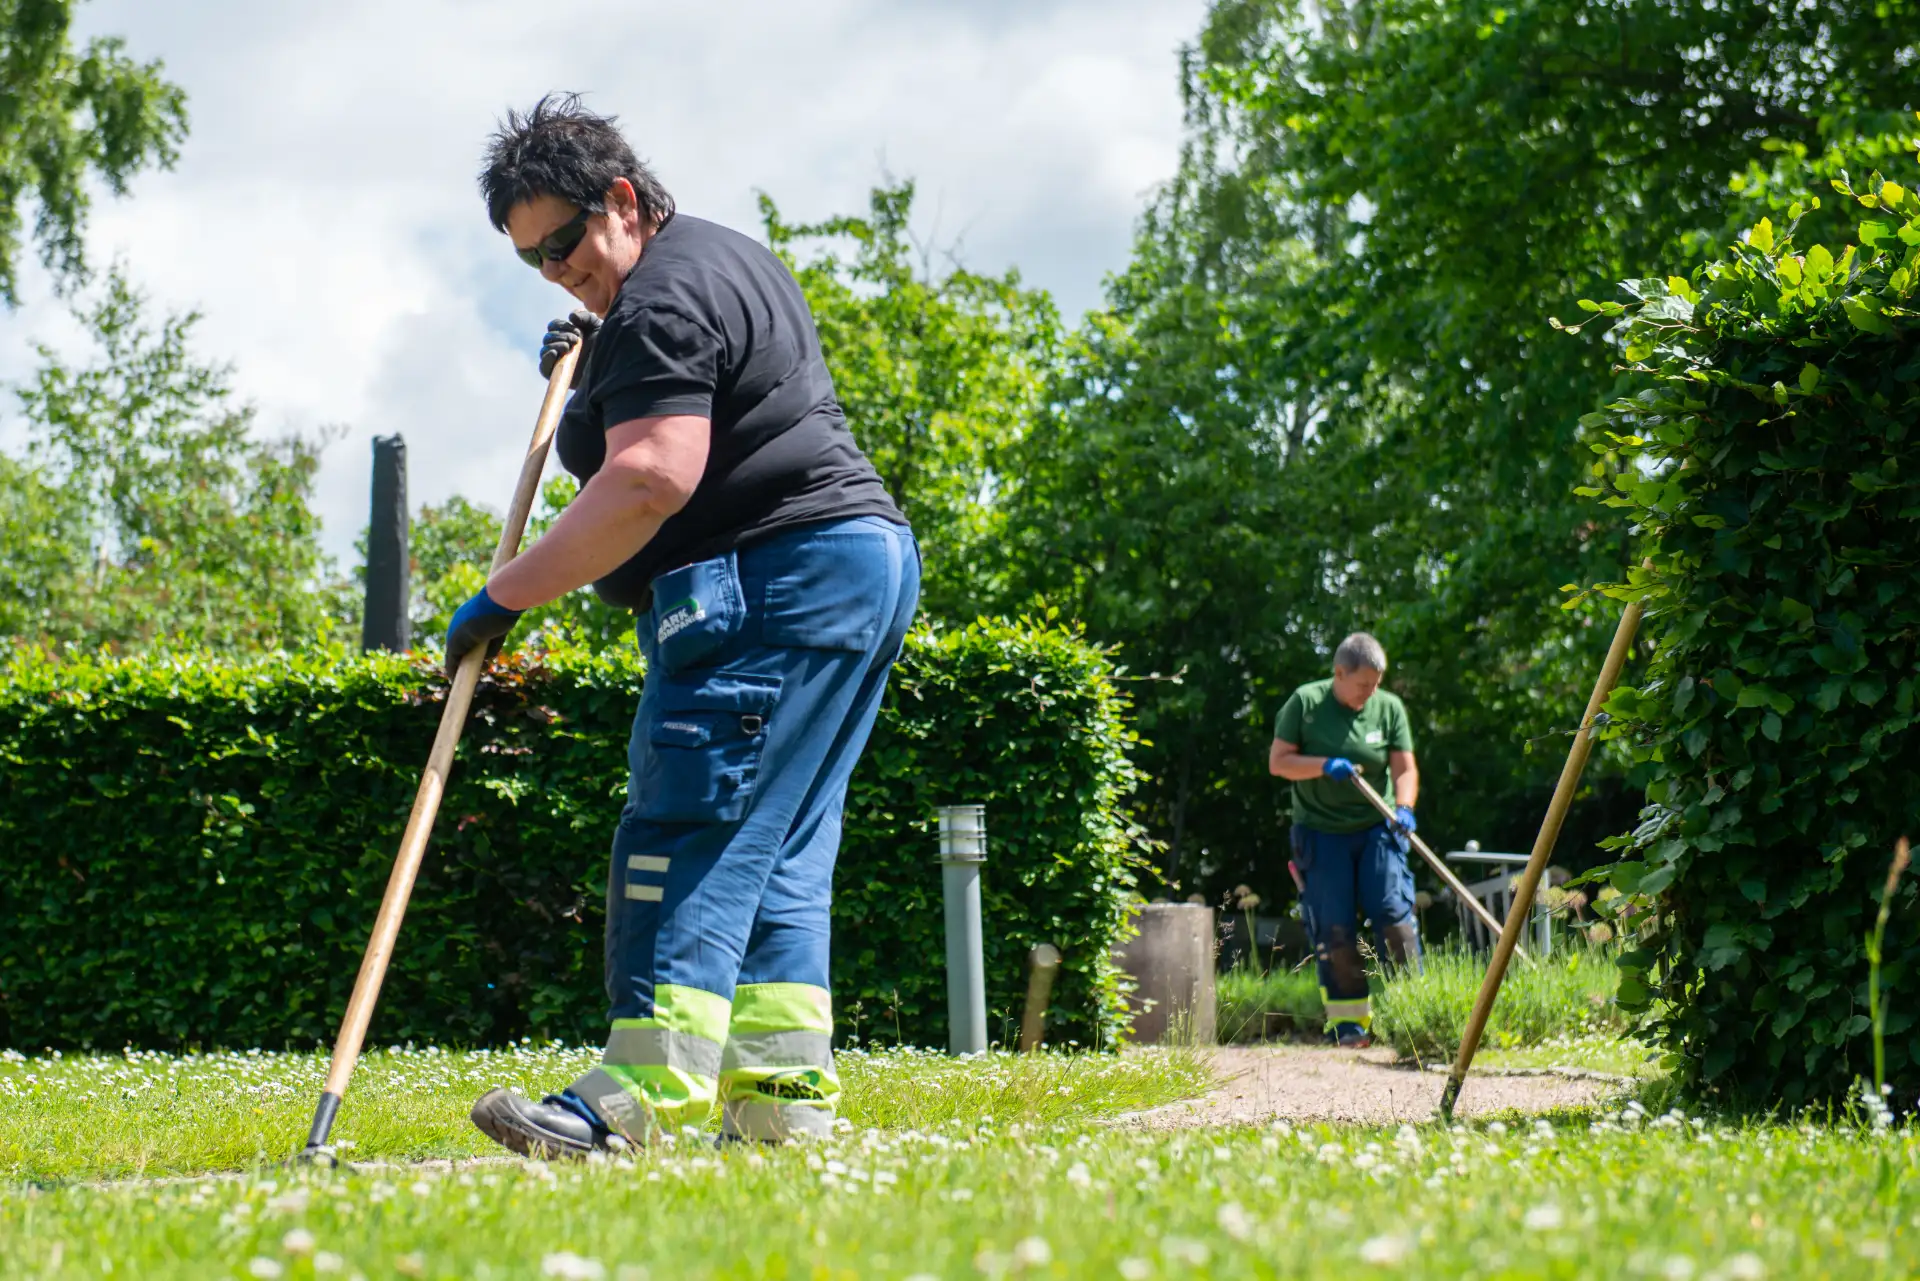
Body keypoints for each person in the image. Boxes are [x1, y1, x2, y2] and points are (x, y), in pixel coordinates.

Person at [448, 94, 918, 1155]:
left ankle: (630, 1106)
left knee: (687, 829)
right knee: (781, 852)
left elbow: (654, 476)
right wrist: (590, 363)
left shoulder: (660, 303)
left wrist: (505, 595)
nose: (557, 269)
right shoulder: (714, 263)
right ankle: (780, 1114)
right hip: (854, 566)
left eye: (565, 242)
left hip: (770, 580)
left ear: (621, 198)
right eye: (533, 262)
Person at [1267, 632, 1420, 1048]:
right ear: (1339, 673)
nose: (1370, 694)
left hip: (1378, 829)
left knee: (1393, 914)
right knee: (1334, 927)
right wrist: (1322, 765)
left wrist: (1404, 807)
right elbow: (1279, 763)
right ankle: (1350, 1027)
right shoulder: (1305, 704)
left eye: (1375, 685)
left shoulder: (1387, 708)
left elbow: (1405, 768)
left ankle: (1412, 1014)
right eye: (1362, 685)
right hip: (1320, 832)